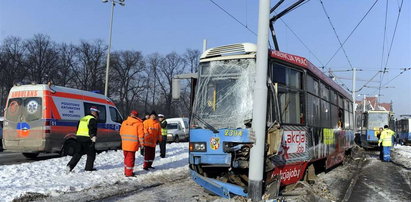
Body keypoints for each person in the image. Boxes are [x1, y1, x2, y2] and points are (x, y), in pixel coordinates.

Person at [66, 106, 99, 172]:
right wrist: (93, 137)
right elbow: (92, 129)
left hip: (79, 137)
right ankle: (88, 168)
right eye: (97, 113)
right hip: (87, 138)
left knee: (78, 152)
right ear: (94, 112)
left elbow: (78, 128)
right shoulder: (92, 119)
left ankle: (70, 166)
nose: (97, 115)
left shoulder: (82, 118)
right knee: (91, 153)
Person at [119, 110, 144, 177]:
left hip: (125, 144)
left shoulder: (124, 122)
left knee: (126, 158)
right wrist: (142, 144)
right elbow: (140, 135)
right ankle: (129, 173)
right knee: (130, 159)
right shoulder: (139, 123)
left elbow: (121, 132)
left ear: (130, 114)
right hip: (132, 144)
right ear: (137, 116)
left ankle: (126, 171)